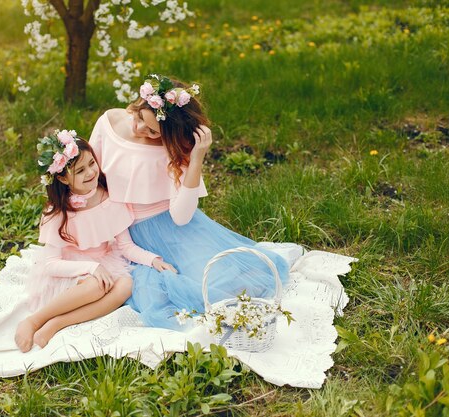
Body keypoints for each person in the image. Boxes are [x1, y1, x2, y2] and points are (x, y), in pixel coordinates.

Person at [89, 74, 290, 330]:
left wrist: (196, 159)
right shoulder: (110, 121)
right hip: (121, 229)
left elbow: (181, 217)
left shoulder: (173, 150)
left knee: (221, 288)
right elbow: (91, 175)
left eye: (152, 131)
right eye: (140, 117)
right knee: (150, 291)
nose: (139, 129)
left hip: (174, 231)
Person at [14, 130, 176, 352]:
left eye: (92, 163)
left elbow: (125, 246)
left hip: (103, 260)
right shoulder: (59, 211)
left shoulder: (109, 198)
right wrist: (91, 267)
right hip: (70, 268)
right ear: (62, 178)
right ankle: (34, 320)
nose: (91, 172)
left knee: (126, 286)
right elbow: (51, 263)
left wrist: (153, 259)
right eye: (80, 170)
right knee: (96, 286)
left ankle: (57, 323)